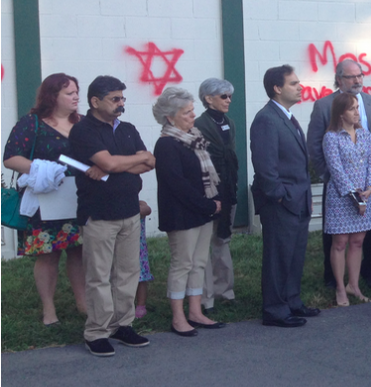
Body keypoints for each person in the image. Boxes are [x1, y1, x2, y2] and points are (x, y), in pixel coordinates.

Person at [70, 75, 155, 356]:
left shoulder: (127, 129)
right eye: (115, 99)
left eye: (122, 99)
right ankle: (96, 332)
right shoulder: (84, 130)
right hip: (99, 214)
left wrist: (113, 167)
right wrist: (114, 164)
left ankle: (122, 325)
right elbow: (109, 161)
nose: (121, 104)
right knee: (99, 276)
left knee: (128, 273)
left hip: (130, 211)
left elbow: (151, 161)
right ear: (95, 102)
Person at [3, 73, 87, 326]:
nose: (75, 96)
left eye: (76, 91)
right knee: (48, 254)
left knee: (80, 251)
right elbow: (11, 157)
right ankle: (48, 309)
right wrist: (43, 170)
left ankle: (83, 303)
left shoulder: (83, 123)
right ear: (53, 96)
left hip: (78, 196)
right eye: (69, 93)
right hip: (46, 199)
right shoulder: (32, 123)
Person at [308, 59, 371, 291]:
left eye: (360, 75)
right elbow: (314, 145)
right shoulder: (324, 105)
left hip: (369, 184)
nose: (357, 80)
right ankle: (334, 278)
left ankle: (370, 274)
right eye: (351, 77)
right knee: (336, 236)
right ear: (339, 79)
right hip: (339, 185)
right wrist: (330, 176)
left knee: (370, 233)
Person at [152, 87, 225, 337]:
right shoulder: (166, 145)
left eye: (193, 110)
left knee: (198, 263)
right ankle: (178, 316)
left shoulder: (195, 138)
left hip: (202, 212)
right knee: (182, 264)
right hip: (182, 215)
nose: (193, 116)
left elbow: (205, 177)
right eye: (186, 112)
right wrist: (208, 205)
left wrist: (213, 203)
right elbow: (177, 184)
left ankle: (195, 311)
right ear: (170, 118)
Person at [251, 65, 319, 328]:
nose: (300, 87)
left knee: (294, 255)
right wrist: (280, 196)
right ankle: (275, 309)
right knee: (278, 257)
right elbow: (266, 167)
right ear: (277, 88)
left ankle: (292, 301)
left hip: (297, 200)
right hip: (281, 203)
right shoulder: (266, 119)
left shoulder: (286, 116)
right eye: (293, 83)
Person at [323, 92, 371, 306]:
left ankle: (353, 286)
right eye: (352, 108)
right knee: (340, 242)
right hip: (342, 198)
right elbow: (336, 171)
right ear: (341, 113)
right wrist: (356, 199)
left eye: (357, 107)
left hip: (365, 195)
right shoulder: (332, 138)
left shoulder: (365, 135)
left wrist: (370, 188)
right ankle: (339, 288)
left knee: (357, 241)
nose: (357, 112)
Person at [194, 78, 239, 312]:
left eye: (229, 96)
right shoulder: (199, 125)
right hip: (209, 191)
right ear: (208, 99)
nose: (228, 100)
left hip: (228, 188)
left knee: (223, 239)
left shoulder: (229, 123)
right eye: (224, 96)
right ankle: (206, 296)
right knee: (204, 244)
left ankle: (225, 291)